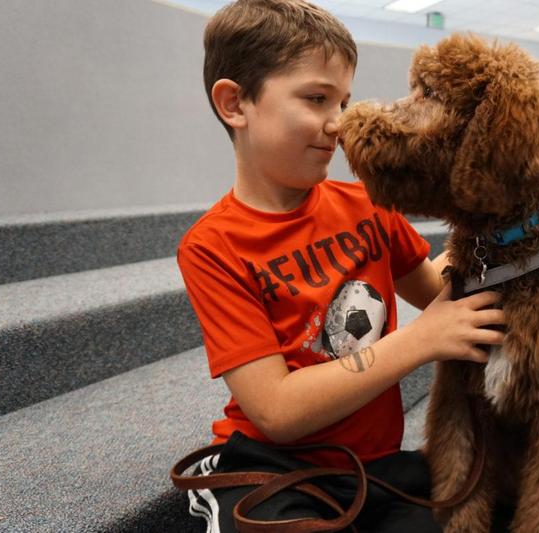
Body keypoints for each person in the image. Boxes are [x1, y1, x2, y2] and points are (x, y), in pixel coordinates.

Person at [176, 1, 505, 531]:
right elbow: (276, 413)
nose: (340, 123)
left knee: (486, 509)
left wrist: (502, 223)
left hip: (372, 467)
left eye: (344, 101)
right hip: (272, 468)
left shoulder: (366, 203)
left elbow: (436, 289)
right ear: (235, 103)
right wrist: (422, 340)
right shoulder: (212, 247)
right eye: (316, 98)